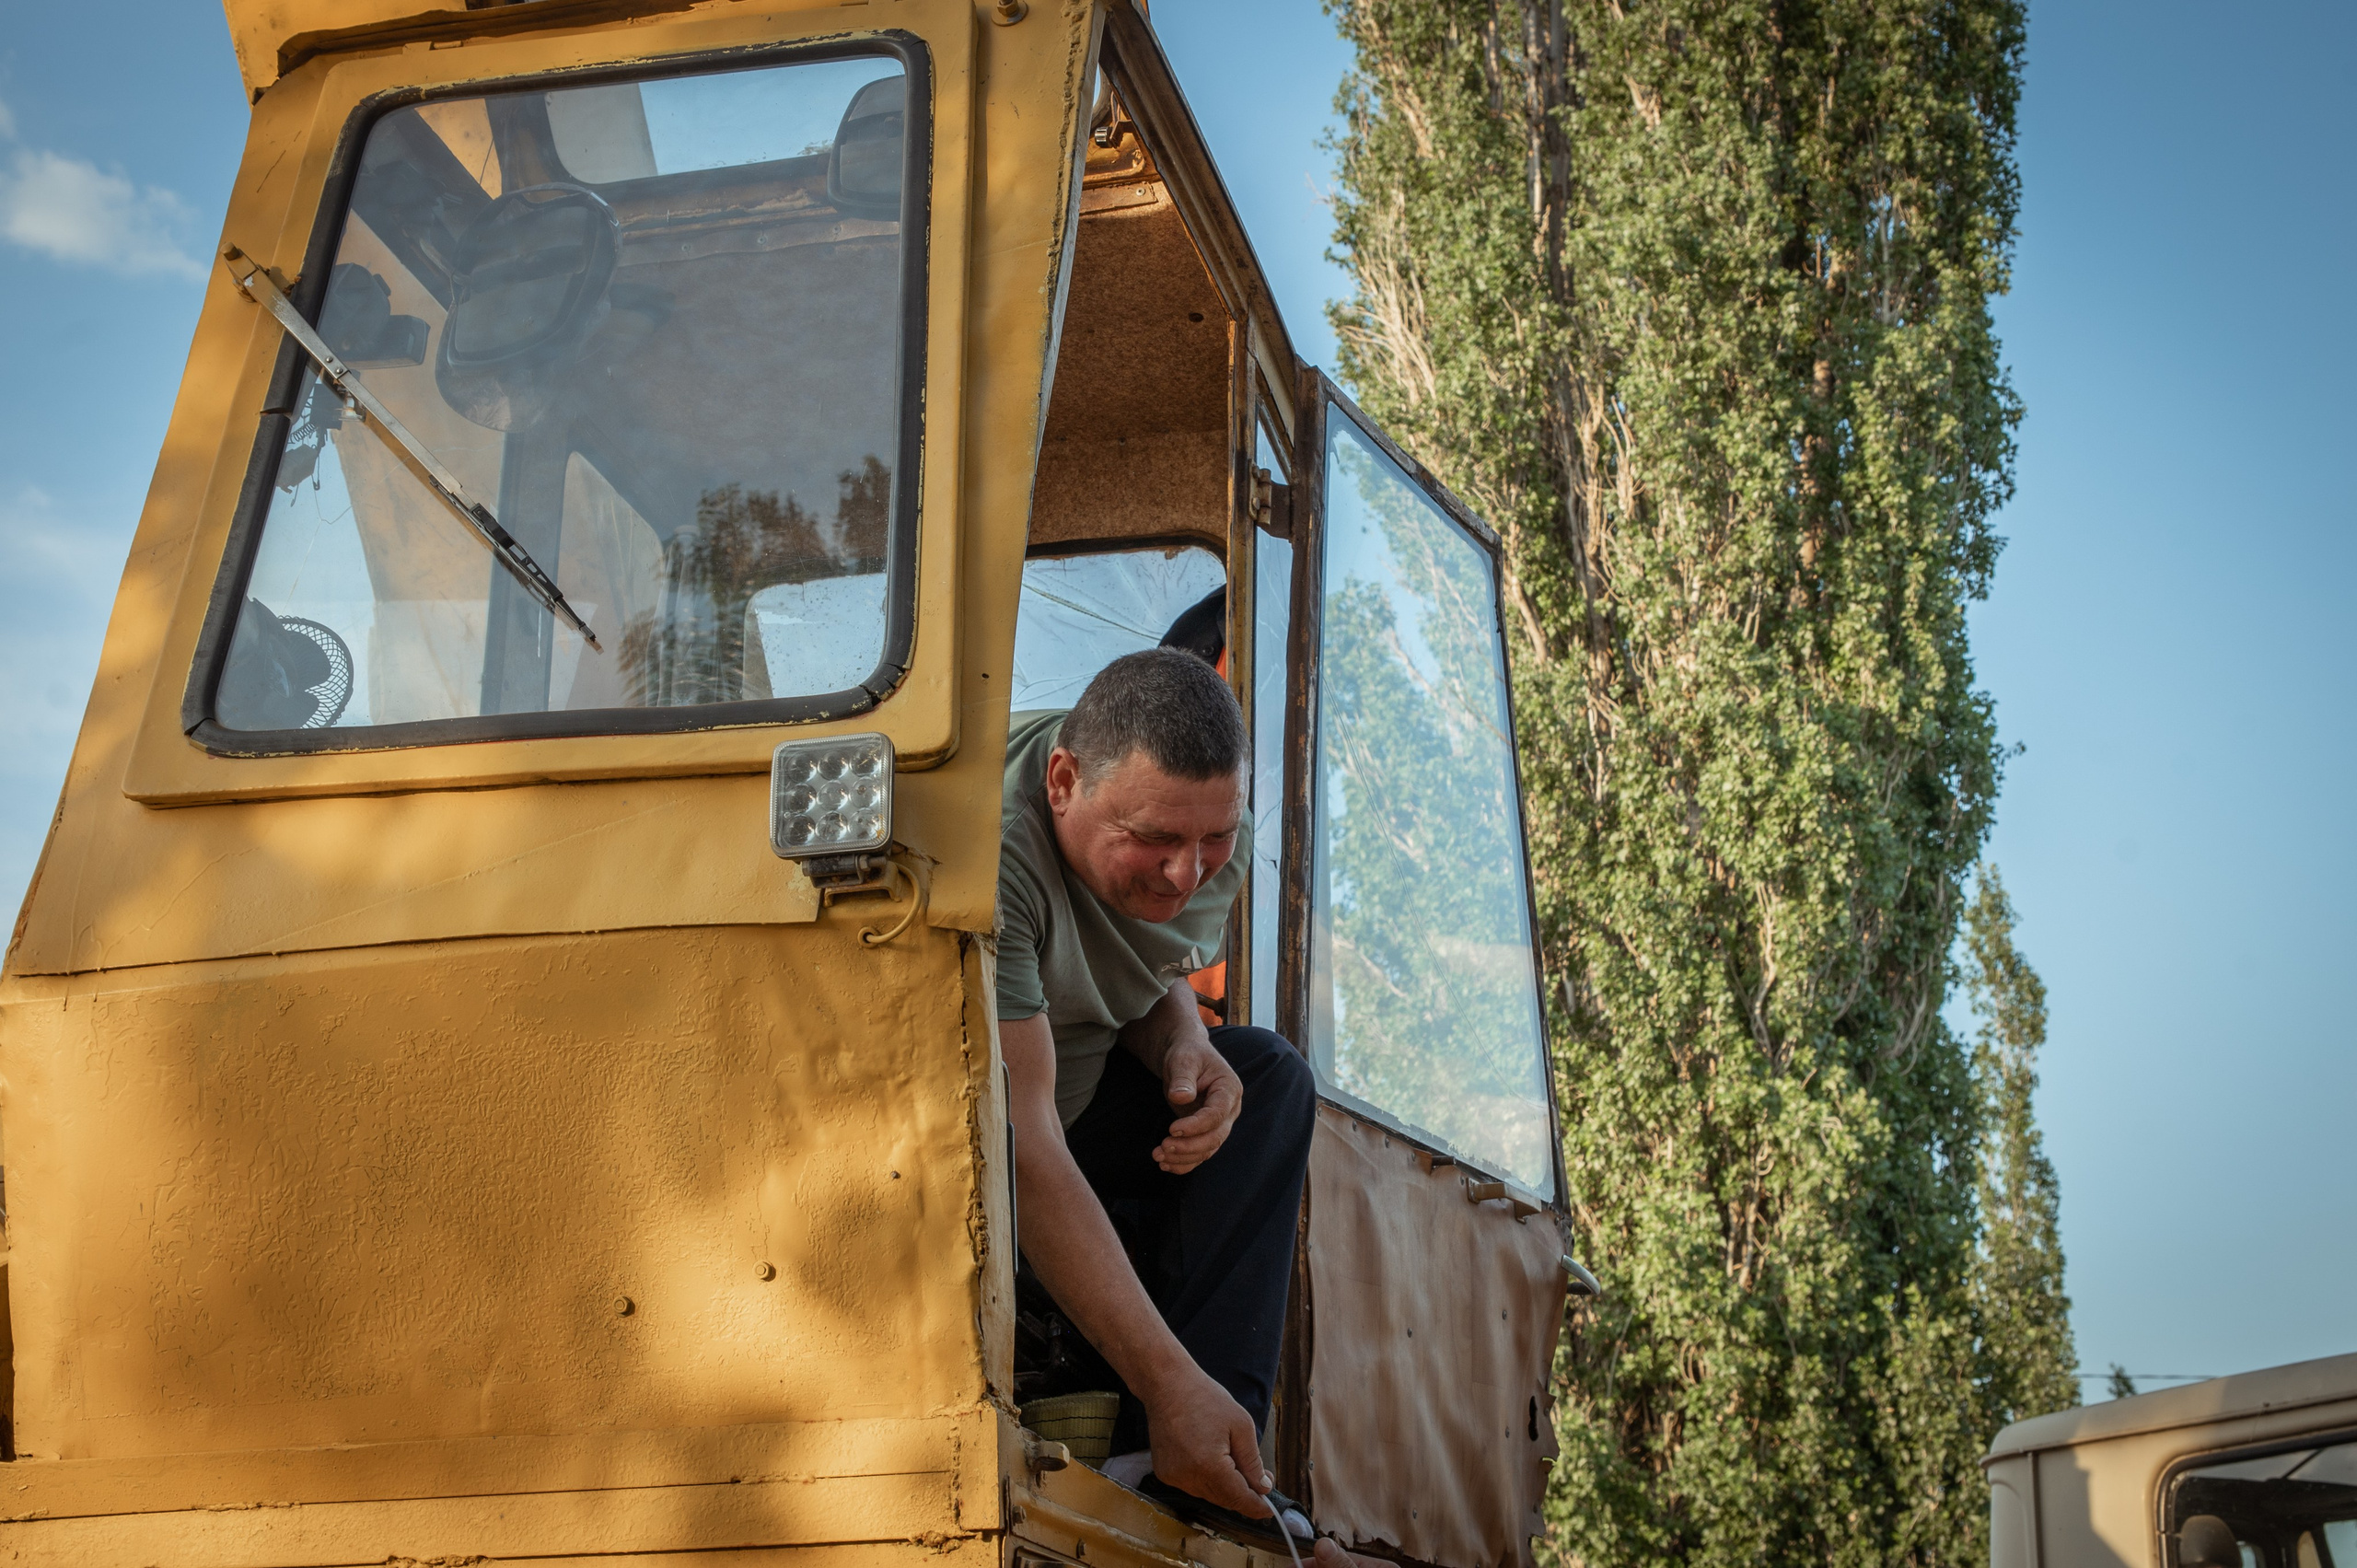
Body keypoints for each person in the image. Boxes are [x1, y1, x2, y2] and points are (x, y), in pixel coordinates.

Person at [996, 645, 1319, 1551]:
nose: (1187, 874)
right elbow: (1020, 1144)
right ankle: (1175, 1412)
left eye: (1211, 840)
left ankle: (1204, 1469)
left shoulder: (1210, 834)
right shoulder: (992, 854)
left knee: (1264, 1074)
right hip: (968, 1159)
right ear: (1064, 780)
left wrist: (1185, 1041)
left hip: (1078, 1107)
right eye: (1154, 841)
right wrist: (1163, 1377)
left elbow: (1143, 966)